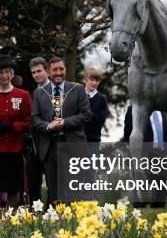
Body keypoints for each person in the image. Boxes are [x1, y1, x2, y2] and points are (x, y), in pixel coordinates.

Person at [32, 57, 91, 205]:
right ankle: (56, 223)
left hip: (73, 144)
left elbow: (86, 114)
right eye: (55, 70)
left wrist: (65, 122)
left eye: (61, 69)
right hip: (50, 145)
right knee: (54, 190)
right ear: (48, 72)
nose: (59, 73)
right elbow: (34, 119)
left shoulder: (77, 89)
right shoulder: (39, 93)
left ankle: (74, 222)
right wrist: (48, 126)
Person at [0, 55, 32, 207]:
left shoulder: (23, 95)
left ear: (12, 74)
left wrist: (13, 127)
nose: (4, 76)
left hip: (14, 148)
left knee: (13, 186)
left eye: (7, 72)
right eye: (1, 73)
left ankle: (11, 220)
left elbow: (28, 121)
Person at [122, 106, 167, 208]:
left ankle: (158, 214)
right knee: (141, 185)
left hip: (163, 154)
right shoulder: (134, 109)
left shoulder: (165, 111)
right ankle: (139, 213)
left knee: (162, 189)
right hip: (143, 154)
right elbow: (127, 133)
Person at [24, 56, 50, 204]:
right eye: (33, 73)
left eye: (39, 71)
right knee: (34, 182)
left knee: (52, 182)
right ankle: (35, 211)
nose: (36, 75)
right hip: (34, 145)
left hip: (51, 143)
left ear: (46, 71)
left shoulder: (55, 91)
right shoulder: (33, 93)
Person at [83, 68, 109, 145]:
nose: (94, 83)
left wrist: (86, 113)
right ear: (85, 80)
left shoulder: (101, 99)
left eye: (96, 80)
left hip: (93, 139)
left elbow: (100, 120)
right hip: (76, 138)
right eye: (91, 80)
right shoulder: (78, 95)